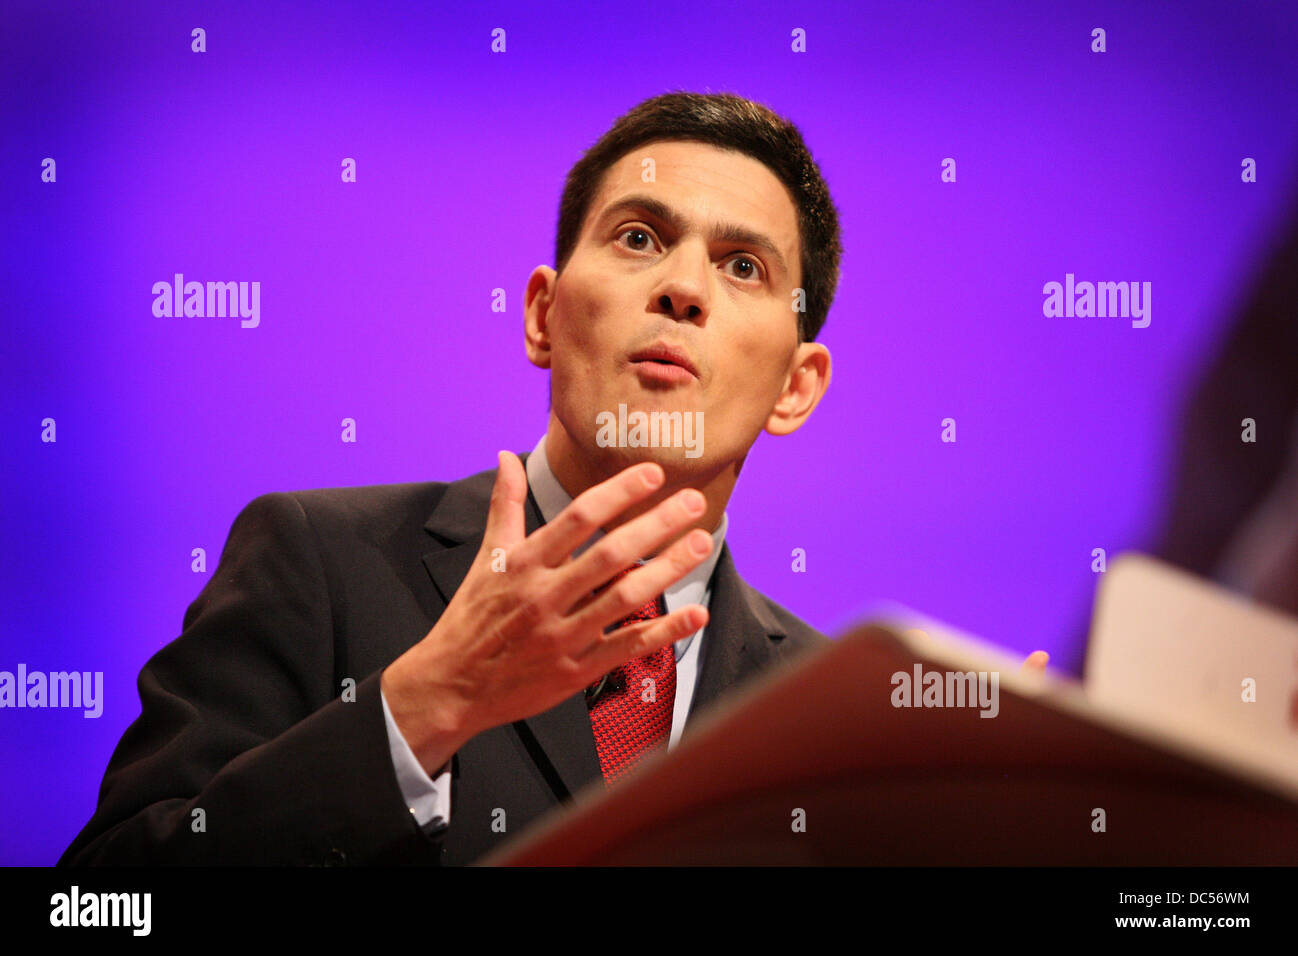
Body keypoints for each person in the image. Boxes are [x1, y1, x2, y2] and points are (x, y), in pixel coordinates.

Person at [59, 91, 847, 866]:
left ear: (796, 387)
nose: (683, 289)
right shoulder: (318, 562)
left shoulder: (829, 712)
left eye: (743, 266)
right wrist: (425, 707)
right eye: (639, 238)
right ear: (541, 314)